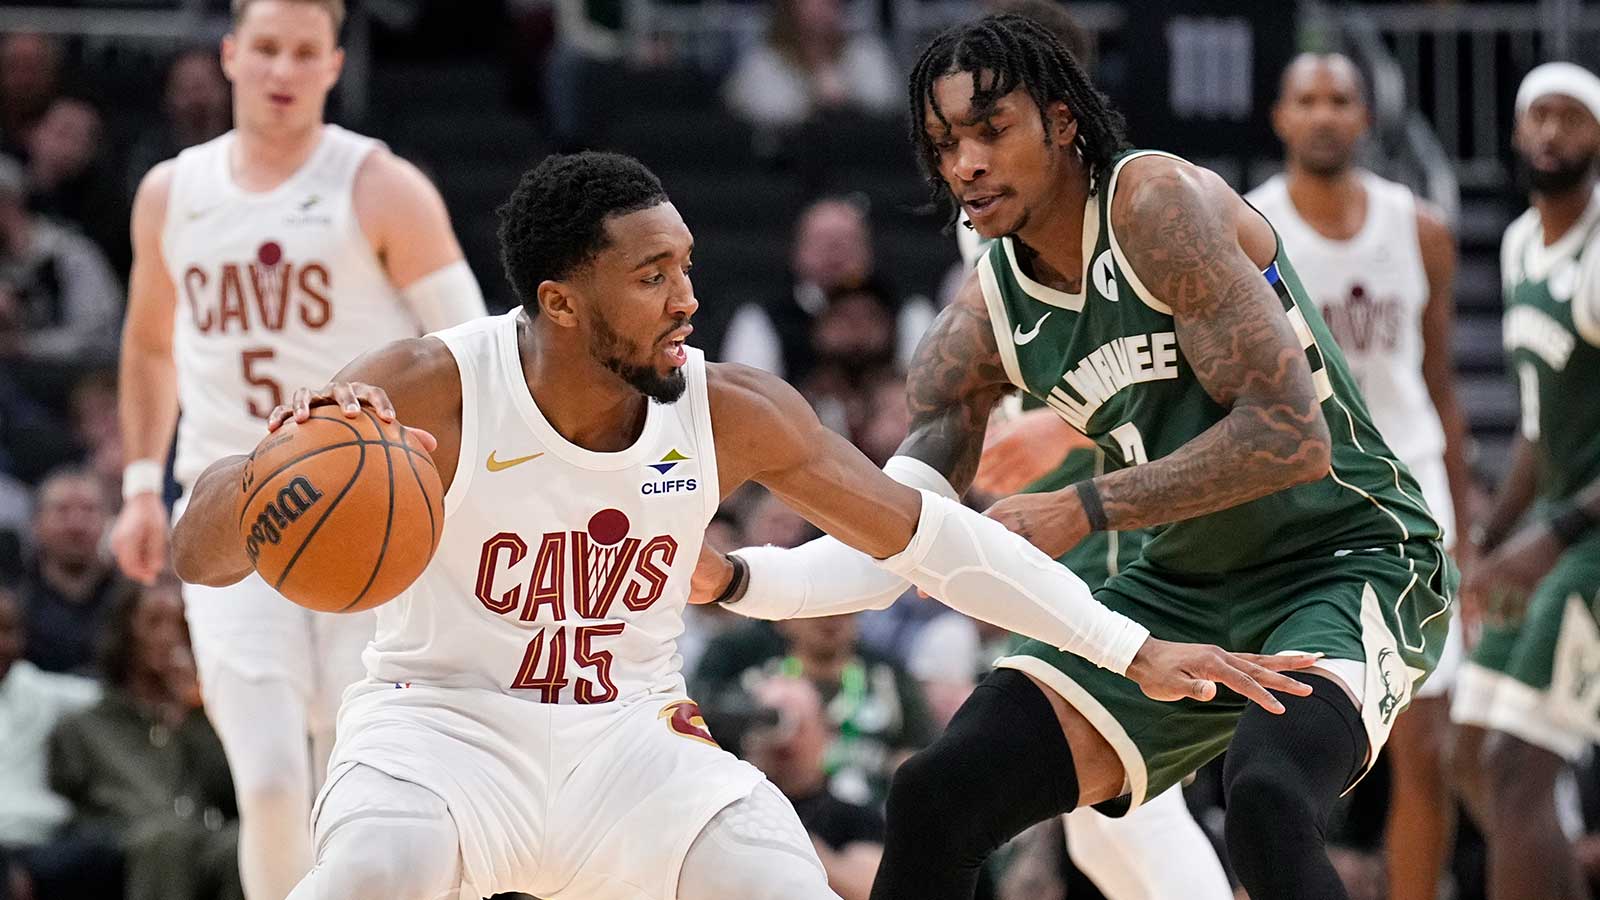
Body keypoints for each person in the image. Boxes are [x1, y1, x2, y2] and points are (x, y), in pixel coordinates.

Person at [169, 150, 1313, 900]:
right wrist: (284, 461)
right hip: (442, 734)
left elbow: (929, 541)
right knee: (360, 877)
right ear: (560, 301)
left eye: (687, 266)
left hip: (633, 741)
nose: (688, 300)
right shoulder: (428, 386)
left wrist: (1126, 649)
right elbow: (198, 550)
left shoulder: (728, 405)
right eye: (652, 274)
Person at [695, 15, 1454, 900]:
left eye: (989, 130)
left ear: (1061, 122)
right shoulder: (976, 329)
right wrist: (740, 578)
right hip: (1179, 584)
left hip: (1343, 555)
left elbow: (1290, 433)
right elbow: (891, 542)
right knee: (937, 794)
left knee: (1268, 797)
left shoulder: (1154, 204)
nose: (965, 163)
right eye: (944, 144)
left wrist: (1083, 506)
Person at [107, 0, 487, 896]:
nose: (282, 69)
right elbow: (150, 345)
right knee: (273, 784)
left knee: (348, 779)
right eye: (266, 49)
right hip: (236, 509)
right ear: (232, 56)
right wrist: (135, 484)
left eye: (303, 52)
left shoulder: (382, 186)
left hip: (368, 505)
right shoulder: (172, 190)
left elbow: (469, 347)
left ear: (333, 65)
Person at [1246, 52, 1471, 900]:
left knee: (1430, 751)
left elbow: (1443, 386)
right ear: (1281, 117)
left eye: (1340, 99)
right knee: (1277, 752)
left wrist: (1471, 530)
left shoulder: (1420, 229)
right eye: (1307, 99)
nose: (1325, 114)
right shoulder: (1244, 224)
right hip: (1298, 503)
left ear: (1365, 118)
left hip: (1412, 496)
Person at [1449, 61, 1600, 900]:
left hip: (1588, 541)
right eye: (1538, 116)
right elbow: (1540, 429)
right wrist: (1490, 537)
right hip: (1556, 525)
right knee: (1467, 749)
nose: (1552, 132)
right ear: (1515, 132)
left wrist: (1551, 538)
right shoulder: (1515, 244)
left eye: (1571, 118)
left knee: (1515, 768)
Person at [50, 576, 243, 900]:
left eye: (180, 623)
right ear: (124, 632)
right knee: (166, 840)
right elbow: (70, 807)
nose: (170, 636)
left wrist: (194, 712)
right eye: (155, 622)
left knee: (242, 842)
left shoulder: (202, 716)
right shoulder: (86, 724)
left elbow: (231, 793)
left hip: (200, 838)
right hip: (128, 840)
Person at [15, 468, 124, 676]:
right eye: (62, 510)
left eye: (89, 510)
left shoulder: (130, 598)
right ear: (35, 523)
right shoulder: (14, 599)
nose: (76, 525)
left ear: (108, 521)